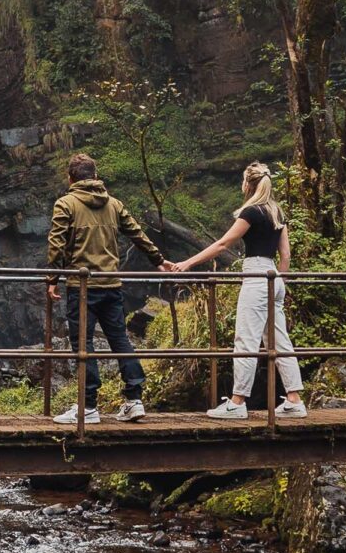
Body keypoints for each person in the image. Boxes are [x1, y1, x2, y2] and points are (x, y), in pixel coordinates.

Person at [46, 153, 174, 424]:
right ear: (95, 175)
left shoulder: (65, 203)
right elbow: (137, 234)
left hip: (81, 287)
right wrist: (159, 260)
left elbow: (56, 244)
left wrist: (52, 278)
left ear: (70, 178)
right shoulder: (114, 204)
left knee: (83, 345)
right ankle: (134, 400)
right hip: (112, 285)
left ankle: (88, 406)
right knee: (120, 340)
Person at [173, 161, 306, 419]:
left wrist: (187, 263)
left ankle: (237, 402)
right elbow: (286, 255)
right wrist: (280, 282)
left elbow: (223, 244)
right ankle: (294, 399)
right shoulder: (277, 212)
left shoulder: (251, 212)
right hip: (274, 276)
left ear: (248, 183)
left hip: (256, 276)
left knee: (245, 340)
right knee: (279, 341)